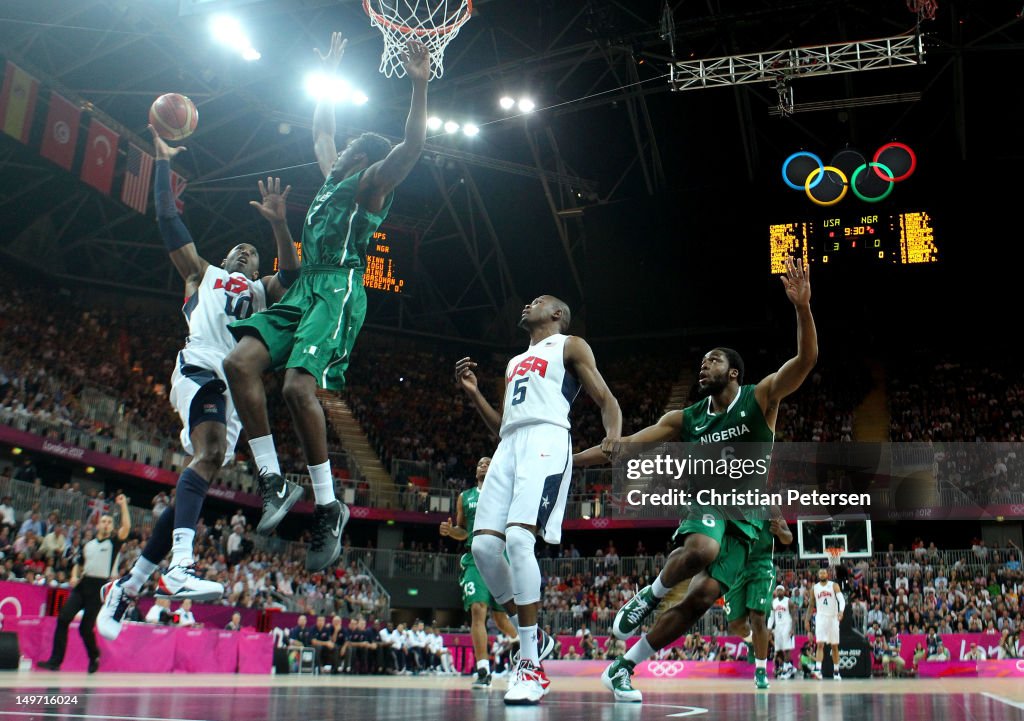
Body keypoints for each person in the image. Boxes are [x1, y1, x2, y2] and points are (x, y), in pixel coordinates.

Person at [223, 32, 431, 573]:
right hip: (304, 287)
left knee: (296, 386)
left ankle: (329, 504)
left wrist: (420, 87)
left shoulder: (369, 185)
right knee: (238, 362)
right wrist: (332, 74)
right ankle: (272, 479)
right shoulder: (328, 181)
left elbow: (410, 150)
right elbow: (321, 129)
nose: (335, 154)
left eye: (347, 152)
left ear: (362, 159)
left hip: (338, 289)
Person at [577, 257, 816, 701]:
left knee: (702, 599)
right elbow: (627, 444)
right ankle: (650, 594)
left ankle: (624, 666)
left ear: (734, 373)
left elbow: (805, 360)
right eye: (702, 361)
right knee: (702, 548)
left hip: (746, 519)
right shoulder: (684, 418)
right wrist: (571, 462)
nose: (703, 366)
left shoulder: (760, 397)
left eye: (713, 360)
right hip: (709, 503)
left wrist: (802, 307)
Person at [97, 130, 300, 641]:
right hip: (199, 367)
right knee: (208, 450)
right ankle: (181, 565)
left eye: (250, 253)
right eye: (237, 248)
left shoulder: (260, 292)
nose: (241, 252)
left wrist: (278, 225)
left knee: (205, 466)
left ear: (255, 269)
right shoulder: (202, 274)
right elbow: (168, 220)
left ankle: (130, 584)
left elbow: (292, 275)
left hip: (234, 391)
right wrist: (163, 164)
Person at [455, 294, 622, 705]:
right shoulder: (514, 362)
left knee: (517, 540)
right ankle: (536, 636)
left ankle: (529, 664)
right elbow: (503, 427)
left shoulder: (571, 344)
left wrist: (613, 437)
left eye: (537, 302)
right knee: (483, 547)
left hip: (548, 439)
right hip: (510, 444)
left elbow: (607, 399)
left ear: (558, 314)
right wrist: (475, 394)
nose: (527, 305)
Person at [439, 455, 519, 688]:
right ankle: (483, 669)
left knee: (501, 617)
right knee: (477, 610)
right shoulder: (465, 497)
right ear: (476, 473)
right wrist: (450, 531)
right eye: (479, 464)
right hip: (474, 557)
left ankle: (519, 645)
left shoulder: (505, 491)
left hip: (500, 555)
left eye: (488, 462)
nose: (483, 465)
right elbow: (462, 531)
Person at [38, 495, 130, 673]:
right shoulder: (88, 545)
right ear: (98, 525)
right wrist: (73, 576)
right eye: (103, 521)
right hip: (83, 584)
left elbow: (126, 527)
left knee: (85, 628)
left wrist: (124, 505)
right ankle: (55, 661)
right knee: (63, 618)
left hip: (99, 587)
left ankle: (94, 655)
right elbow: (78, 565)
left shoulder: (114, 543)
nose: (106, 524)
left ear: (111, 526)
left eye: (109, 522)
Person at [807, 567, 845, 679]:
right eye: (820, 573)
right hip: (821, 618)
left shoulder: (834, 585)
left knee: (834, 646)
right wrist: (806, 620)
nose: (822, 574)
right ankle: (818, 670)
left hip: (833, 618)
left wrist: (841, 611)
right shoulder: (814, 588)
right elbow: (811, 605)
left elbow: (841, 600)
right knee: (820, 644)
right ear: (818, 575)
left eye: (824, 572)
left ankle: (836, 671)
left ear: (827, 574)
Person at [768, 584, 797, 663]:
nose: (779, 591)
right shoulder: (773, 602)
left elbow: (794, 616)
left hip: (787, 625)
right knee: (778, 648)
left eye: (781, 590)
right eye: (778, 590)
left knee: (787, 648)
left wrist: (792, 629)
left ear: (784, 591)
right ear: (776, 592)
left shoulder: (788, 601)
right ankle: (784, 665)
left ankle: (787, 666)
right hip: (778, 627)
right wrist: (769, 628)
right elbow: (771, 617)